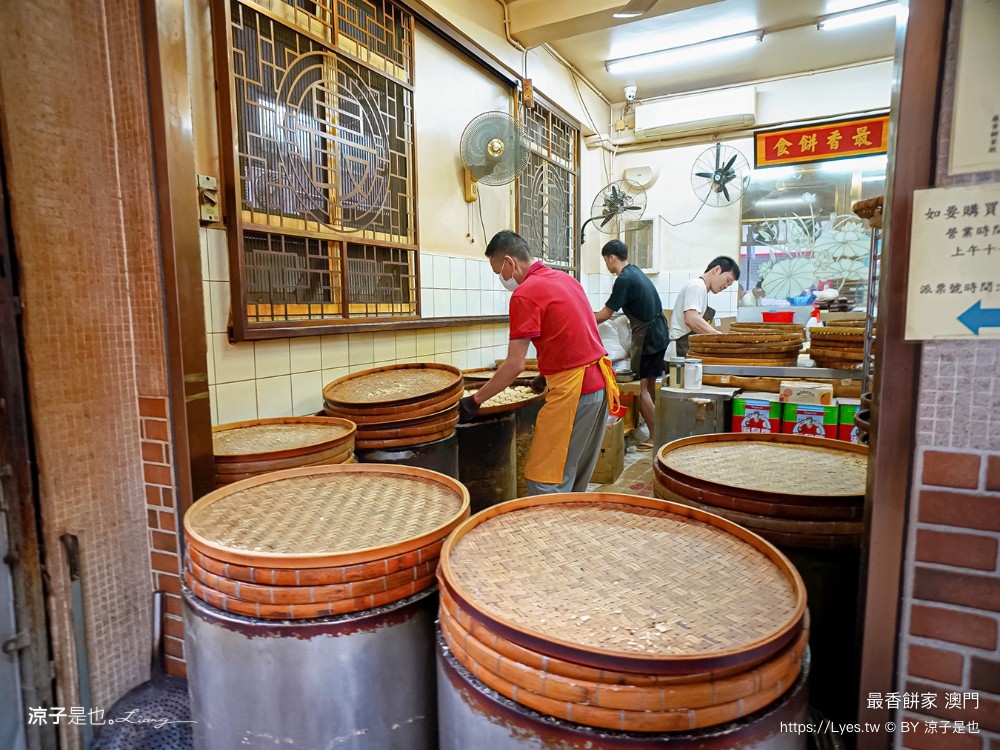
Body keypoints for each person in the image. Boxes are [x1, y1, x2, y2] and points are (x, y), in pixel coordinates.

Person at [458, 231, 620, 494]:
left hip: (574, 392)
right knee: (575, 475)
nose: (501, 278)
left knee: (544, 481)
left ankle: (544, 534)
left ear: (510, 263)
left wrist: (474, 401)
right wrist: (545, 375)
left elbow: (514, 365)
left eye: (498, 271)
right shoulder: (567, 280)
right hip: (599, 386)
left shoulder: (524, 294)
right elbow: (574, 335)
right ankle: (569, 532)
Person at [594, 240, 668, 450]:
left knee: (641, 388)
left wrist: (582, 319)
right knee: (650, 384)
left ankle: (655, 437)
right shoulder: (635, 271)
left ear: (611, 258)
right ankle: (657, 432)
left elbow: (606, 314)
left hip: (648, 336)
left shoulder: (624, 279)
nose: (607, 265)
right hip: (660, 332)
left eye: (605, 260)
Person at [669, 256, 740, 357]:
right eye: (727, 280)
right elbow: (691, 318)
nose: (725, 286)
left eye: (729, 285)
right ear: (717, 270)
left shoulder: (702, 289)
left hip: (684, 348)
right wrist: (718, 336)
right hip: (679, 351)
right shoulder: (697, 286)